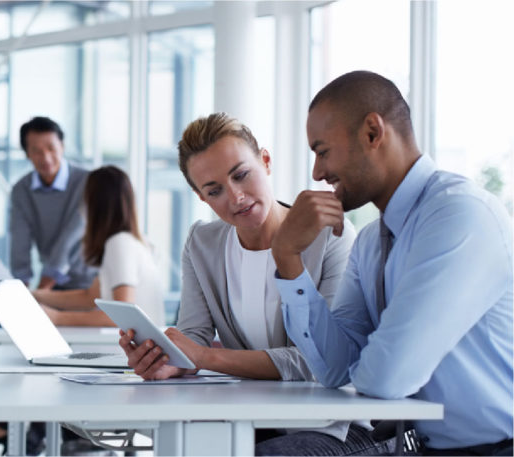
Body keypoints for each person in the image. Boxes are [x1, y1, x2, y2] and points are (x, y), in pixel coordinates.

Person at [270, 71, 513, 455]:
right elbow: (335, 368)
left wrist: (365, 364)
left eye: (322, 150)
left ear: (372, 132)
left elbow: (385, 377)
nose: (316, 172)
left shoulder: (459, 216)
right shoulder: (370, 242)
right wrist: (287, 257)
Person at [119, 113, 390, 455]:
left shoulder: (331, 237)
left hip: (335, 424)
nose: (235, 198)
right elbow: (193, 336)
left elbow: (319, 361)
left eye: (241, 175)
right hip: (254, 419)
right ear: (201, 198)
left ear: (265, 161)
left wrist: (204, 358)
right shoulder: (203, 243)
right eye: (214, 190)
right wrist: (167, 358)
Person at [33, 165, 164, 326]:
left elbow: (122, 316)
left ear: (95, 205)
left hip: (130, 348)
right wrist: (34, 295)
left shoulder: (120, 244)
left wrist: (56, 318)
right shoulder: (132, 242)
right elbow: (89, 296)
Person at [9, 116, 96, 291]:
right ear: (27, 154)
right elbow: (20, 240)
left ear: (62, 147)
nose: (46, 158)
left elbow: (72, 234)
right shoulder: (21, 190)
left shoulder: (88, 182)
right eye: (37, 151)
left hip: (90, 282)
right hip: (53, 285)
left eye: (51, 148)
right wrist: (21, 285)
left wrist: (45, 282)